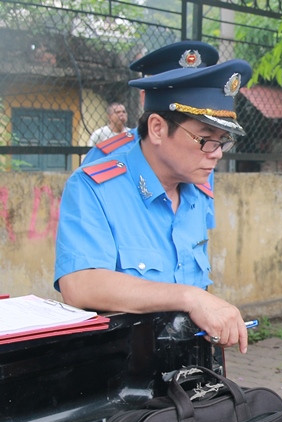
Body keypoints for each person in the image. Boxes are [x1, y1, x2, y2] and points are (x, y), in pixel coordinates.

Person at [54, 55, 253, 351]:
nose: (217, 153)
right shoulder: (94, 187)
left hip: (190, 365)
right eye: (205, 139)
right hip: (123, 376)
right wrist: (191, 297)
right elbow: (80, 285)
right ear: (158, 128)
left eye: (223, 141)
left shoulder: (195, 192)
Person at [83, 41, 220, 165]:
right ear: (144, 98)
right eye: (176, 96)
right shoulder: (106, 156)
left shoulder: (204, 155)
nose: (193, 106)